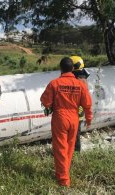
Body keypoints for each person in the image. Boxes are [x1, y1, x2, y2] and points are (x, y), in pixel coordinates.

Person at [40, 57, 93, 187]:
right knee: (69, 147)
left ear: (60, 68)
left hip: (60, 118)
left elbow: (45, 102)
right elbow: (87, 104)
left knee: (60, 149)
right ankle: (65, 172)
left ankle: (63, 180)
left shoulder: (54, 83)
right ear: (73, 69)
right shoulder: (81, 84)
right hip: (74, 119)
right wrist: (89, 118)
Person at [70, 56, 90, 152]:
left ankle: (76, 151)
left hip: (77, 111)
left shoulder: (80, 79)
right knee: (74, 132)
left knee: (75, 134)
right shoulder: (81, 77)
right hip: (76, 111)